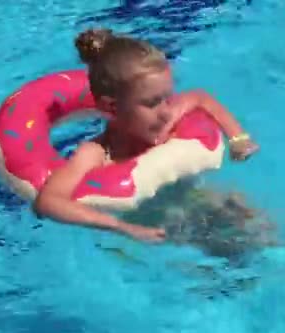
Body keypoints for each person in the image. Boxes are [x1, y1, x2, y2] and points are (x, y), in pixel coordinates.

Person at [33, 27, 260, 243]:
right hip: (151, 228)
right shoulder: (96, 153)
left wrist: (238, 138)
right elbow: (49, 201)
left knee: (255, 226)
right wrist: (123, 228)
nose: (165, 111)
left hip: (193, 200)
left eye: (167, 97)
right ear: (111, 107)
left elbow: (200, 98)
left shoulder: (166, 117)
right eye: (152, 103)